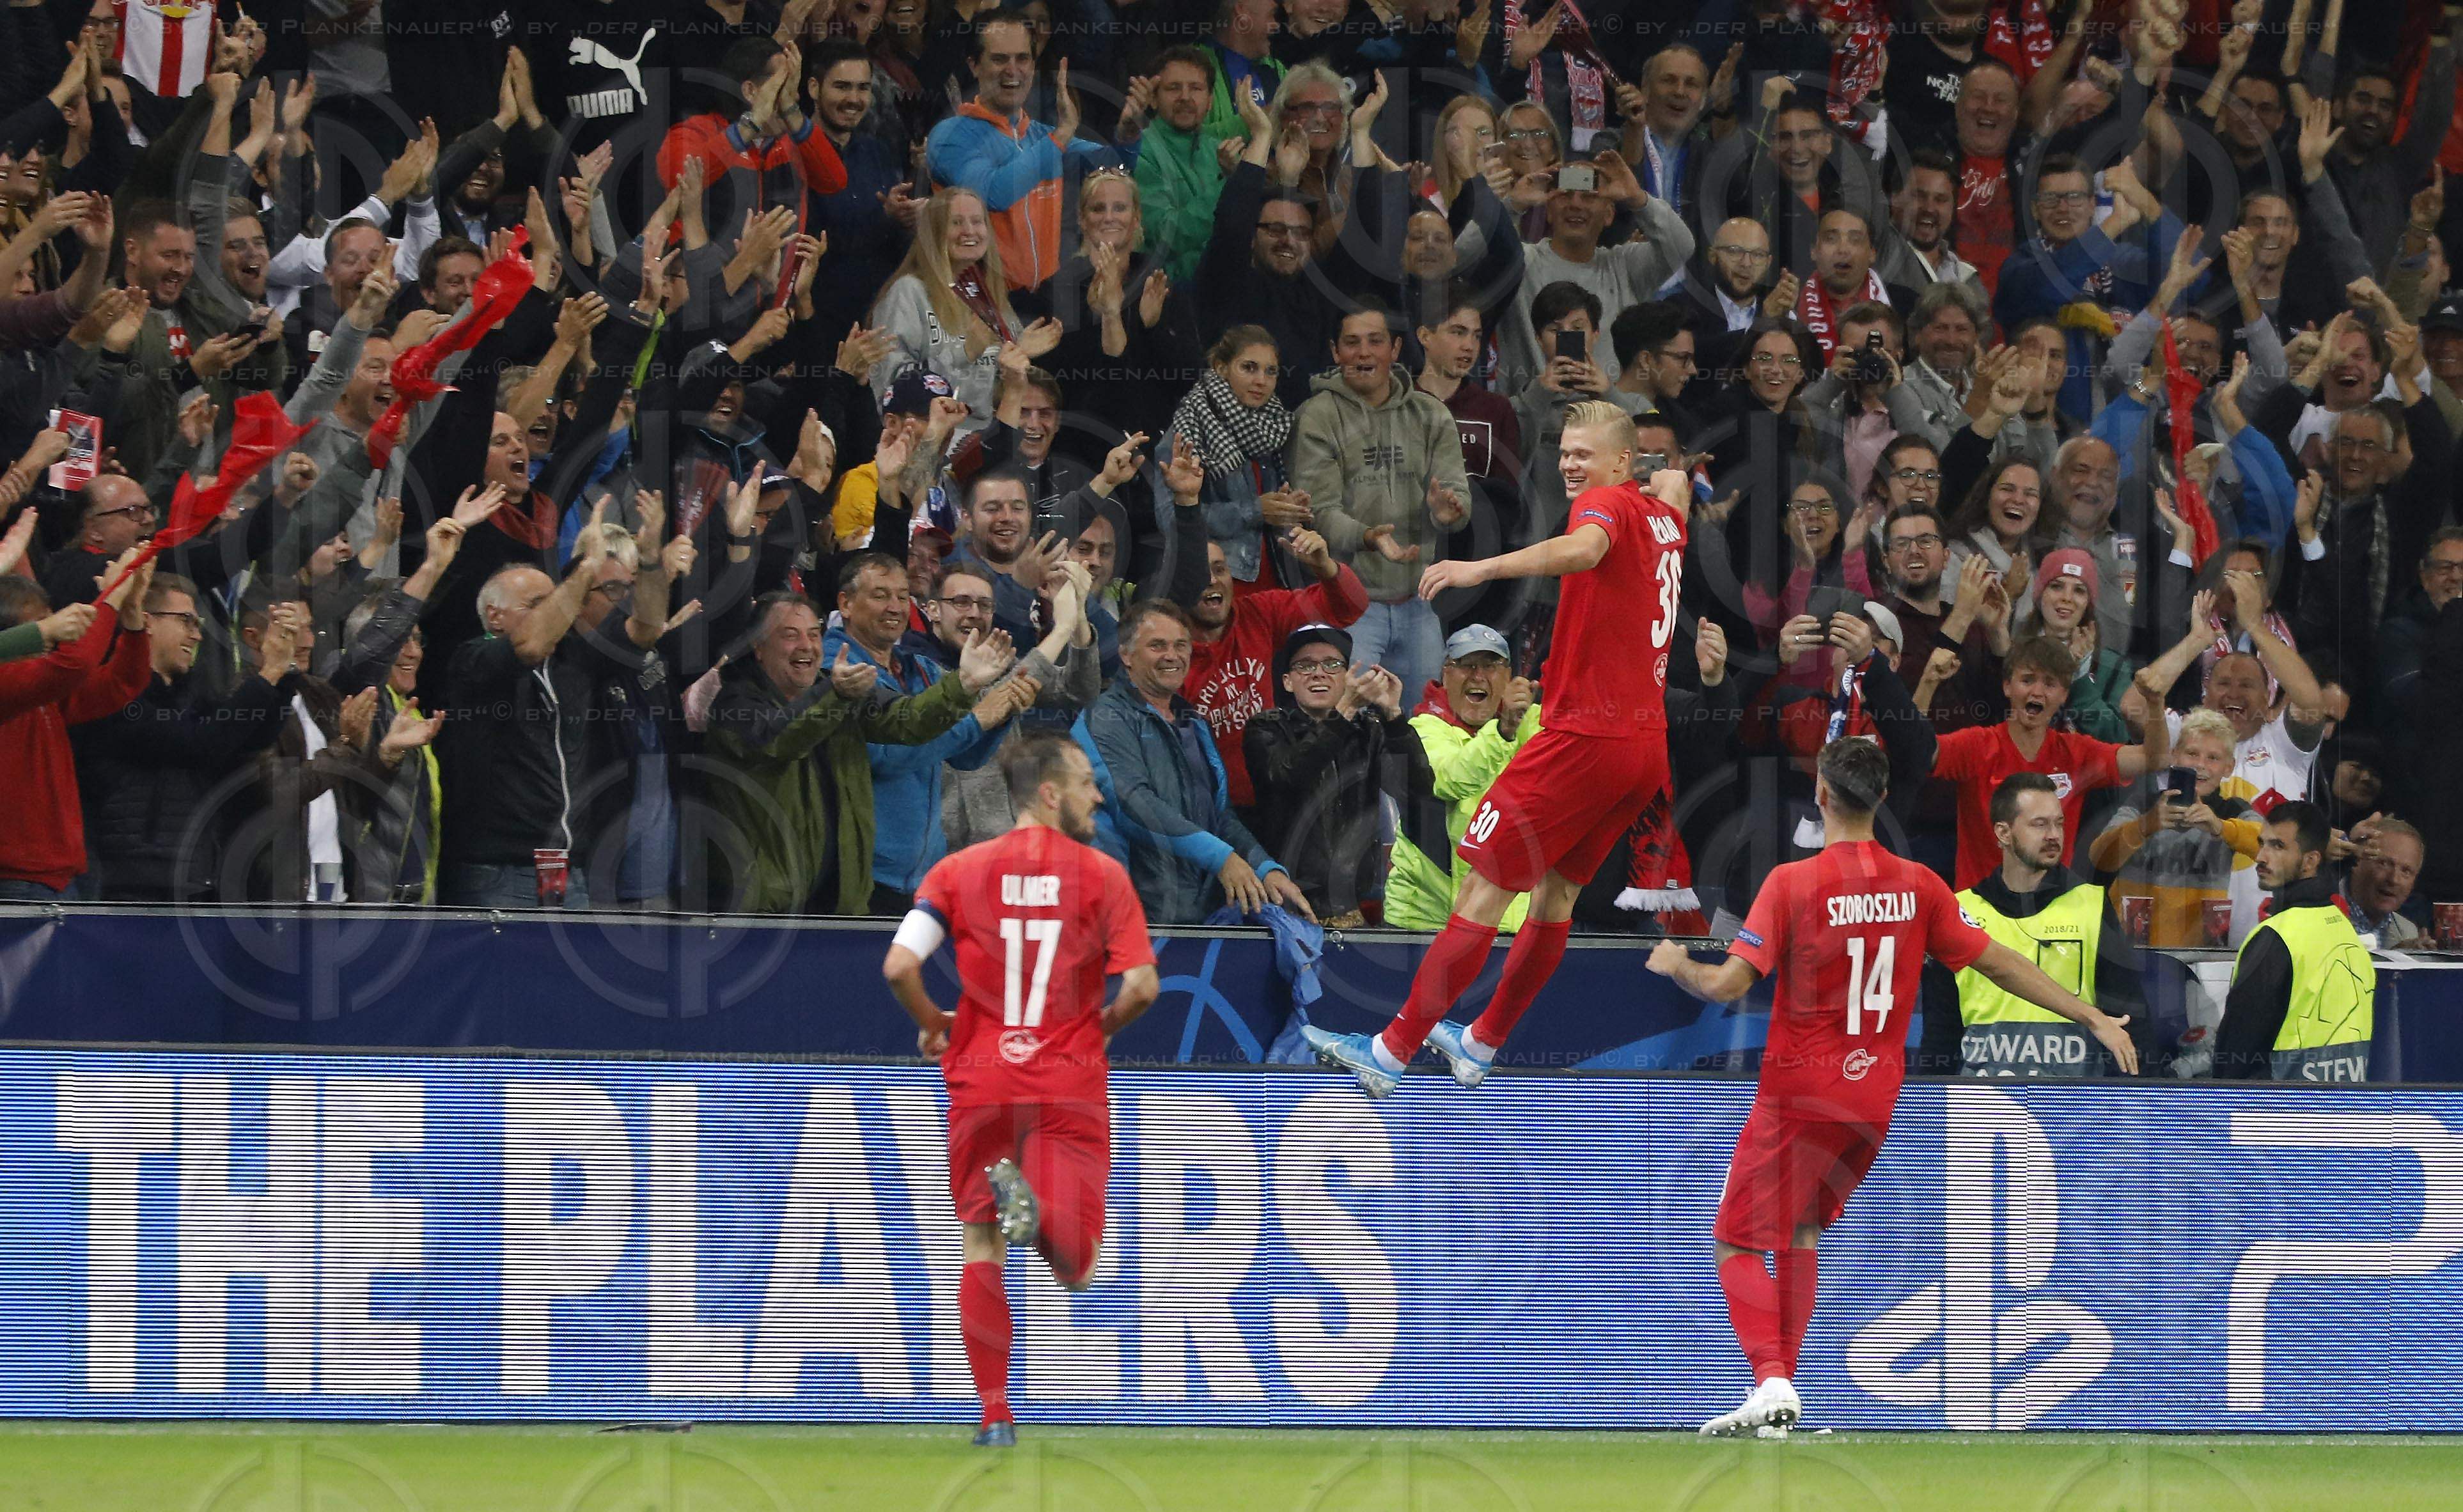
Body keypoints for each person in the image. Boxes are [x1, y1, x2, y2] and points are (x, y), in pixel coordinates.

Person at [1646, 736, 2137, 1438]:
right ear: (1879, 798)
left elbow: (1727, 984)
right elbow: (1998, 963)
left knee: (1734, 1239)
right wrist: (2090, 1013)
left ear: (1822, 794)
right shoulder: (1920, 885)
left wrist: (1678, 962)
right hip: (1873, 1101)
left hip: (1800, 1091)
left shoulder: (1791, 883)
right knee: (1800, 1230)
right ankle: (1778, 1404)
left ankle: (1770, 1376)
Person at [1304, 403, 1689, 1095]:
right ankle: (1481, 1040)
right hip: (1643, 749)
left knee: (1483, 888)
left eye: (1585, 453)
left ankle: (1390, 1052)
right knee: (1556, 896)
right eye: (1565, 452)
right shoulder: (1666, 518)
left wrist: (1483, 568)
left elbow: (1585, 550)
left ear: (1622, 464)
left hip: (1579, 739)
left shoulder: (1606, 506)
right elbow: (1676, 488)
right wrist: (1665, 476)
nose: (1571, 465)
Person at [880, 731, 1160, 1447]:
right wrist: (1096, 1028)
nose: (1099, 794)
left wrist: (935, 1023)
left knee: (980, 1244)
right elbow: (1141, 986)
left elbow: (899, 966)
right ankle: (1038, 1215)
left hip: (982, 1078)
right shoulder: (1103, 875)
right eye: (1086, 782)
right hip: (1066, 1081)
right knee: (1080, 1269)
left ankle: (995, 1412)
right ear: (1049, 792)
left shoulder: (956, 870)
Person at [703, 591, 1014, 914]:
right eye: (789, 635)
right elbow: (780, 741)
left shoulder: (837, 691)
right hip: (761, 913)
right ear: (758, 648)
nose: (806, 646)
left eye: (813, 634)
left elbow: (907, 720)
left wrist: (963, 685)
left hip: (839, 906)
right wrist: (834, 695)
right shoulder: (735, 707)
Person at [824, 552, 1077, 914]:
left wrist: (1003, 712)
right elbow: (888, 758)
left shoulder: (918, 668)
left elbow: (965, 756)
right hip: (864, 874)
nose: (894, 607)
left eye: (900, 596)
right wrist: (981, 718)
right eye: (880, 595)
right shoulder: (839, 668)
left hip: (924, 874)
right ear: (845, 604)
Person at [1075, 599, 1315, 924]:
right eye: (1157, 646)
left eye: (1181, 645)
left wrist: (1265, 868)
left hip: (1196, 915)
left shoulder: (1192, 721)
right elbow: (1134, 805)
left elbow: (1219, 814)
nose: (1172, 655)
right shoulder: (1105, 717)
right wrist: (1221, 858)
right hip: (1134, 918)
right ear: (1127, 655)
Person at [1290, 302, 1471, 702]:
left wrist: (1447, 513)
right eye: (1352, 343)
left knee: (1423, 728)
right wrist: (1369, 536)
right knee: (1346, 724)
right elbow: (1317, 511)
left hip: (1420, 603)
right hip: (1350, 609)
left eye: (1375, 341)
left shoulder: (1432, 414)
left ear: (1396, 348)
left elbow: (1458, 495)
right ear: (1336, 353)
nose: (1364, 352)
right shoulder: (1316, 417)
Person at [1929, 635, 2170, 890]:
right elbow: (1914, 750)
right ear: (2007, 686)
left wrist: (2155, 704)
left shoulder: (2077, 753)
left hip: (2050, 913)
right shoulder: (1976, 746)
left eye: (2050, 683)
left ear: (2064, 695)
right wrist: (1928, 682)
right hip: (1980, 914)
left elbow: (2155, 758)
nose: (2037, 691)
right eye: (2027, 680)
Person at [1948, 773, 2141, 1077]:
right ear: (2003, 833)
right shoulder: (1962, 910)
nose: (2054, 835)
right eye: (2039, 824)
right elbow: (1941, 1027)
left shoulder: (2090, 904)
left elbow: (2129, 1017)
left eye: (2059, 823)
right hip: (1982, 1109)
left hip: (2070, 1108)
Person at [921, 13, 1118, 291]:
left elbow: (1115, 163)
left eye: (1023, 59)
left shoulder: (1041, 136)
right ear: (974, 66)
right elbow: (994, 194)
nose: (1013, 70)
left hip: (1042, 302)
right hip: (975, 304)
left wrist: (1129, 135)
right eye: (1000, 59)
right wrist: (1062, 135)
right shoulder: (951, 136)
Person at [1241, 625, 1418, 926]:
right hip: (1284, 905)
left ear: (1347, 677)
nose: (1318, 673)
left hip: (1353, 907)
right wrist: (1344, 712)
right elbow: (1289, 777)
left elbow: (1417, 790)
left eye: (1333, 664)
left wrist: (1395, 719)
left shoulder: (1369, 731)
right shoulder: (1266, 728)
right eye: (1305, 665)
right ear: (1287, 681)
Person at [1384, 624, 1540, 933]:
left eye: (1491, 666)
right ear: (1446, 674)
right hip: (1424, 921)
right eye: (1467, 665)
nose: (1478, 676)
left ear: (1509, 677)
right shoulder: (1423, 728)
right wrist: (1503, 731)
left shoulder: (1532, 722)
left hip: (1510, 920)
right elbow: (1448, 780)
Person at [2216, 801, 2376, 1081]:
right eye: (2261, 843)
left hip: (2278, 1115)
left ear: (2311, 861)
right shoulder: (2345, 930)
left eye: (2278, 846)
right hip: (2345, 1112)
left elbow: (2237, 1051)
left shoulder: (2277, 936)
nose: (2261, 857)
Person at [2092, 707, 2263, 950]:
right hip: (2132, 952)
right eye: (2192, 754)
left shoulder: (2232, 810)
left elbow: (2271, 848)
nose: (2200, 766)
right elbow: (2099, 858)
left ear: (2229, 767)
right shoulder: (2143, 804)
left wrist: (2220, 828)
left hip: (2202, 957)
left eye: (2213, 758)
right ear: (2174, 756)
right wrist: (2145, 826)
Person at [2344, 818, 2427, 949]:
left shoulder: (2408, 933)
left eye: (2406, 871)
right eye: (2383, 864)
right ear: (2357, 860)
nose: (2394, 879)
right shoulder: (2317, 912)